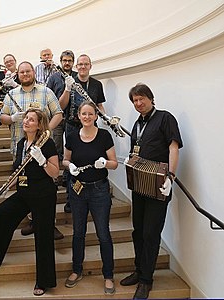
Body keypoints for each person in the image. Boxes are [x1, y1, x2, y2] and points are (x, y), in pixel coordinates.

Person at [0, 108, 59, 297]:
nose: (26, 122)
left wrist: (42, 161)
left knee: (43, 237)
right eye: (26, 118)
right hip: (24, 193)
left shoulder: (47, 143)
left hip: (43, 195)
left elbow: (54, 172)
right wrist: (6, 187)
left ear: (39, 124)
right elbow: (19, 170)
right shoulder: (20, 144)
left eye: (31, 120)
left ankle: (44, 281)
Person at [120, 83, 183, 299]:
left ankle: (146, 280)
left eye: (141, 99)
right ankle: (139, 270)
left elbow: (173, 147)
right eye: (135, 101)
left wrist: (171, 177)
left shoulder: (165, 118)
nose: (138, 103)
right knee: (138, 230)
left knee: (151, 232)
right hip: (140, 185)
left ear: (151, 98)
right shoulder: (137, 124)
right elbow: (135, 150)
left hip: (159, 185)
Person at [0, 61, 63, 239]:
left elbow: (58, 113)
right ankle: (33, 220)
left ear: (33, 73)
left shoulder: (46, 91)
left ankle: (49, 223)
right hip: (20, 148)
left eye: (28, 71)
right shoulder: (11, 94)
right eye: (22, 72)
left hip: (41, 149)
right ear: (17, 75)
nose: (25, 74)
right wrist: (12, 118)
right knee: (25, 185)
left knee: (45, 186)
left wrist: (45, 132)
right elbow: (2, 117)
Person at [62, 101, 117, 295]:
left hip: (99, 190)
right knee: (78, 232)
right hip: (77, 191)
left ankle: (108, 275)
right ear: (78, 115)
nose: (87, 117)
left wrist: (105, 164)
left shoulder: (104, 136)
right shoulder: (71, 136)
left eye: (90, 114)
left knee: (103, 233)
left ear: (95, 116)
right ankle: (77, 270)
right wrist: (69, 166)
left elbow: (114, 163)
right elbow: (65, 159)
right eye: (83, 114)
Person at [59, 54, 107, 213]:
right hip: (73, 126)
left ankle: (94, 197)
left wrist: (106, 118)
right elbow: (61, 105)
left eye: (86, 64)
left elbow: (99, 105)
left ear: (90, 66)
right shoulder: (70, 81)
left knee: (91, 159)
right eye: (80, 64)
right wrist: (67, 88)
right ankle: (70, 199)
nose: (82, 66)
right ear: (76, 66)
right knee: (72, 162)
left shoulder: (97, 84)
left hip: (92, 127)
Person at [46, 50, 77, 181]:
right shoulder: (53, 77)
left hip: (73, 119)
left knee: (71, 147)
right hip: (57, 118)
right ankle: (55, 175)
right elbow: (48, 96)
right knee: (57, 146)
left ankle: (67, 175)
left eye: (70, 61)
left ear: (73, 62)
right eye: (65, 60)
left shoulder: (77, 76)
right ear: (61, 61)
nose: (67, 63)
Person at [0, 53, 20, 129]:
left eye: (11, 61)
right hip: (0, 105)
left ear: (15, 61)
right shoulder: (0, 74)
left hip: (15, 105)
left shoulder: (20, 73)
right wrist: (3, 82)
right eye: (6, 62)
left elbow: (25, 89)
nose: (9, 63)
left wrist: (14, 84)